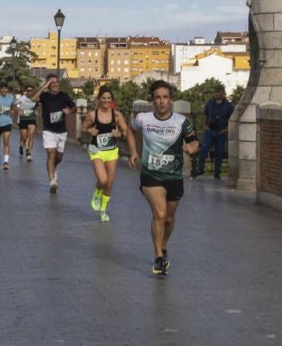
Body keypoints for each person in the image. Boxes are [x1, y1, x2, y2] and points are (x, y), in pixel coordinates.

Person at [129, 81, 199, 276]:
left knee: (169, 218)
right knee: (159, 213)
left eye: (165, 97)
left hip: (174, 175)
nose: (161, 101)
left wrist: (191, 148)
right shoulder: (143, 119)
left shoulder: (181, 122)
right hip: (150, 175)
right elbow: (130, 130)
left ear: (171, 100)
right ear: (153, 100)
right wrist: (133, 151)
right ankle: (158, 257)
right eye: (157, 97)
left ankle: (164, 245)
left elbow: (194, 142)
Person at [81, 85, 132, 223]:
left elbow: (126, 131)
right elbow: (83, 128)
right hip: (96, 151)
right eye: (103, 98)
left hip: (111, 151)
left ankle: (103, 210)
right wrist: (89, 131)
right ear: (99, 99)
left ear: (112, 100)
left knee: (109, 183)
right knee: (103, 180)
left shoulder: (117, 115)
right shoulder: (92, 115)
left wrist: (119, 134)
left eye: (109, 98)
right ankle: (97, 193)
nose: (106, 100)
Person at [35, 75, 77, 196]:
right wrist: (44, 86)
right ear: (48, 84)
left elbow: (74, 107)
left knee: (59, 157)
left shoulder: (64, 96)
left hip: (61, 131)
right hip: (48, 130)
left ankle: (53, 168)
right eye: (51, 82)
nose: (54, 84)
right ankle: (52, 182)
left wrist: (70, 111)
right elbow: (33, 98)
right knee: (51, 154)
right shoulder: (44, 96)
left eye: (56, 82)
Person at [192, 84, 234, 179]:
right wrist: (204, 125)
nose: (216, 94)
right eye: (215, 92)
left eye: (218, 92)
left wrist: (226, 129)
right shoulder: (210, 103)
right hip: (209, 131)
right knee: (204, 149)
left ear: (222, 93)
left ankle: (217, 172)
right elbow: (205, 114)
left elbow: (231, 119)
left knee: (219, 152)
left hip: (221, 132)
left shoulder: (228, 105)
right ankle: (200, 169)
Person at [17, 90, 38, 167]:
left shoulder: (34, 98)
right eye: (27, 90)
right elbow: (14, 105)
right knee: (24, 137)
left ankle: (29, 153)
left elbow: (36, 106)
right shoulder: (21, 98)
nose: (28, 92)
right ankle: (21, 145)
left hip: (31, 119)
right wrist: (19, 110)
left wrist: (35, 111)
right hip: (22, 119)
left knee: (31, 135)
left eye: (30, 90)